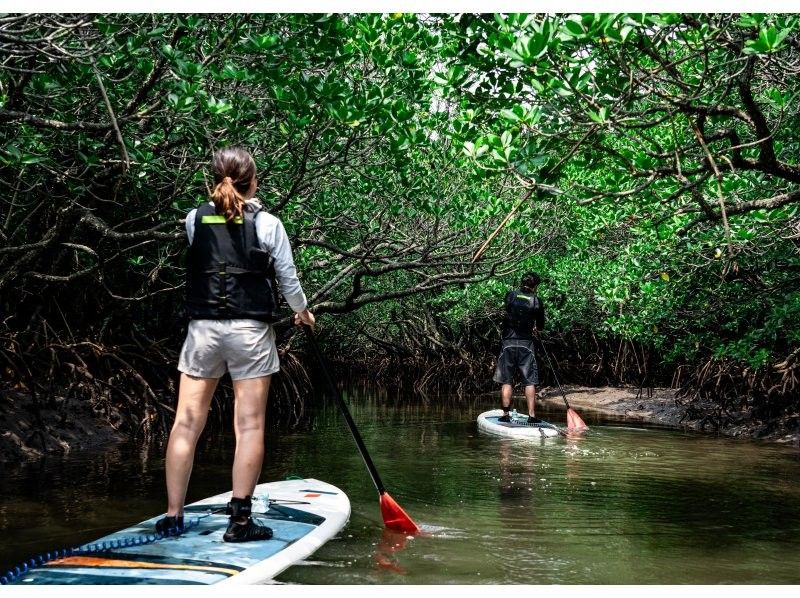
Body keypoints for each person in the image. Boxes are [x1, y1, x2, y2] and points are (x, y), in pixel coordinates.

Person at [155, 146, 315, 542]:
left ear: (214, 179)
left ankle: (173, 516)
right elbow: (288, 280)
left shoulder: (193, 219)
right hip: (250, 334)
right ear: (253, 181)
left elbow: (217, 225)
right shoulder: (269, 224)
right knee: (248, 426)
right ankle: (240, 521)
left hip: (202, 332)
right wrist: (303, 312)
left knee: (186, 423)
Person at [493, 272, 545, 424]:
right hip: (526, 345)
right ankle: (532, 416)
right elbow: (540, 327)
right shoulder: (536, 300)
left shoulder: (510, 295)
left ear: (522, 282)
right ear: (536, 286)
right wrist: (535, 327)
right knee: (529, 381)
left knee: (507, 380)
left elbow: (509, 311)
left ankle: (505, 415)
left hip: (508, 343)